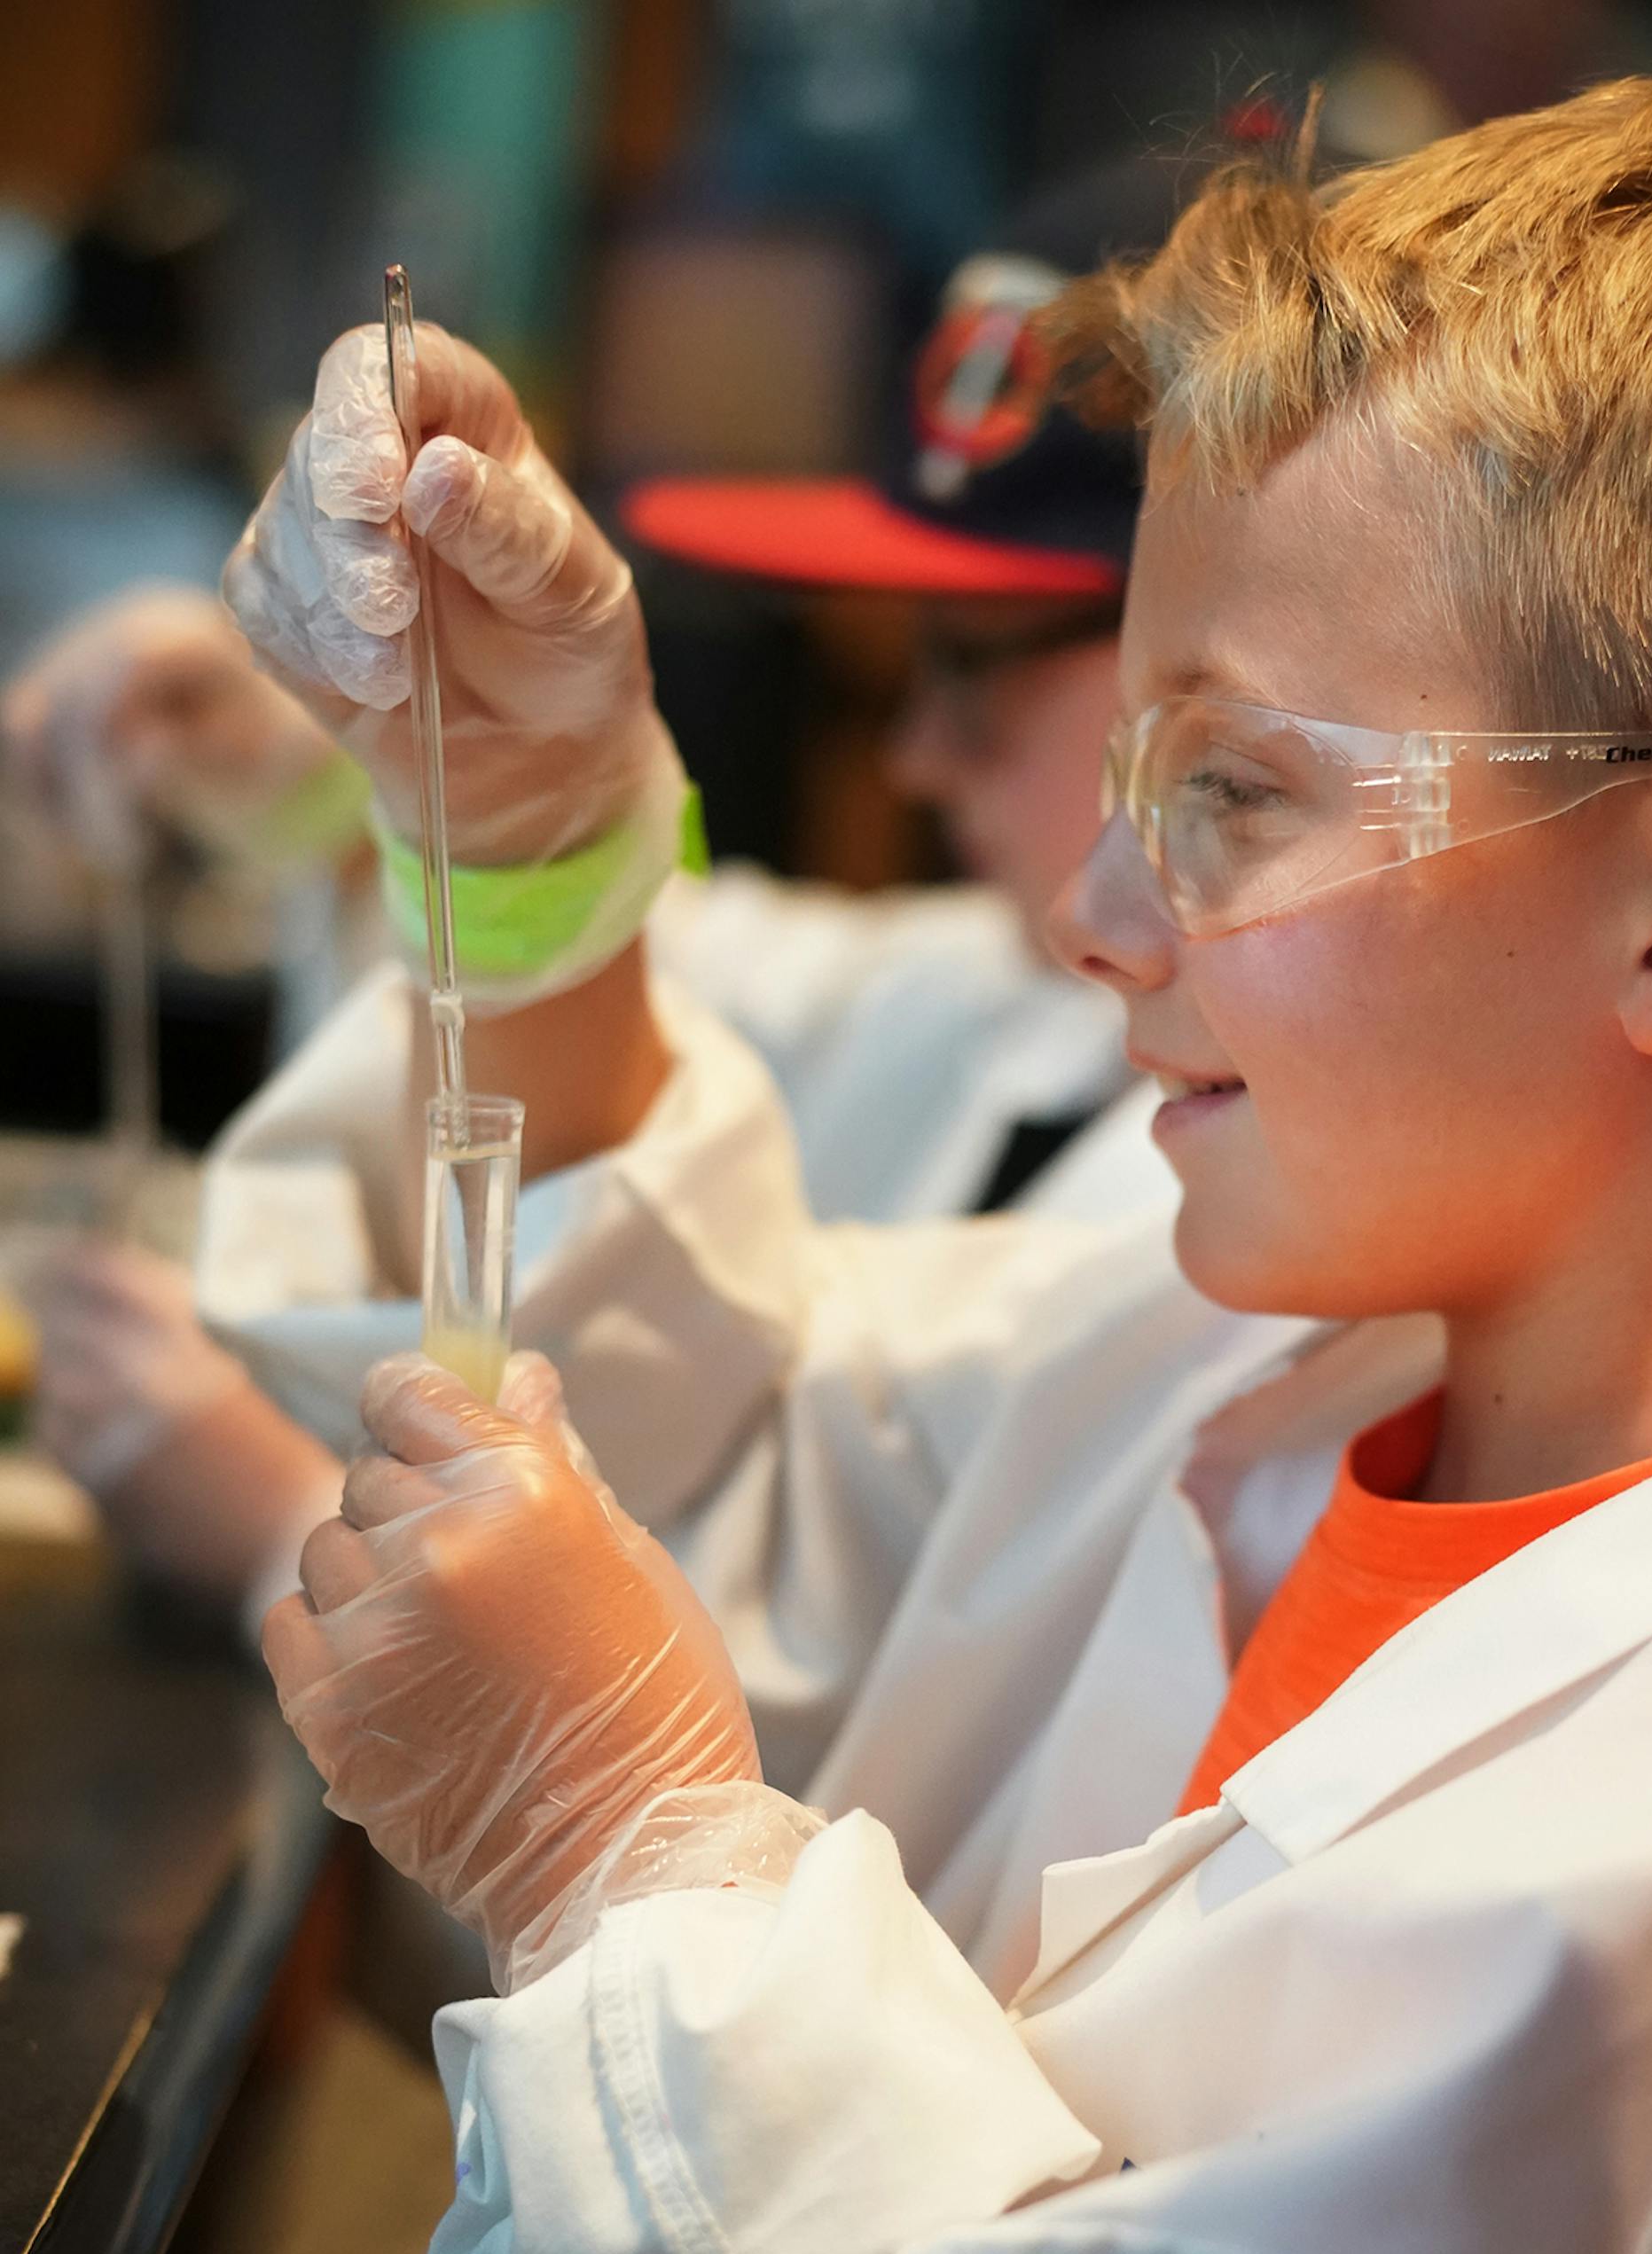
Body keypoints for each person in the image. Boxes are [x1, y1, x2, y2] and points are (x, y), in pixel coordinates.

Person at [253, 71, 1652, 2254]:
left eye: (1233, 790)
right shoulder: (1274, 1340)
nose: (1091, 914)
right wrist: (526, 839)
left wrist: (632, 1857)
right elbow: (698, 1464)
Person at [3, 159, 1190, 1632]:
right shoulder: (1006, 996)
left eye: (972, 662)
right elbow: (666, 968)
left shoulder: (1250, 1208)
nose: (916, 753)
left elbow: (861, 1673)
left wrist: (284, 1542)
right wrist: (337, 791)